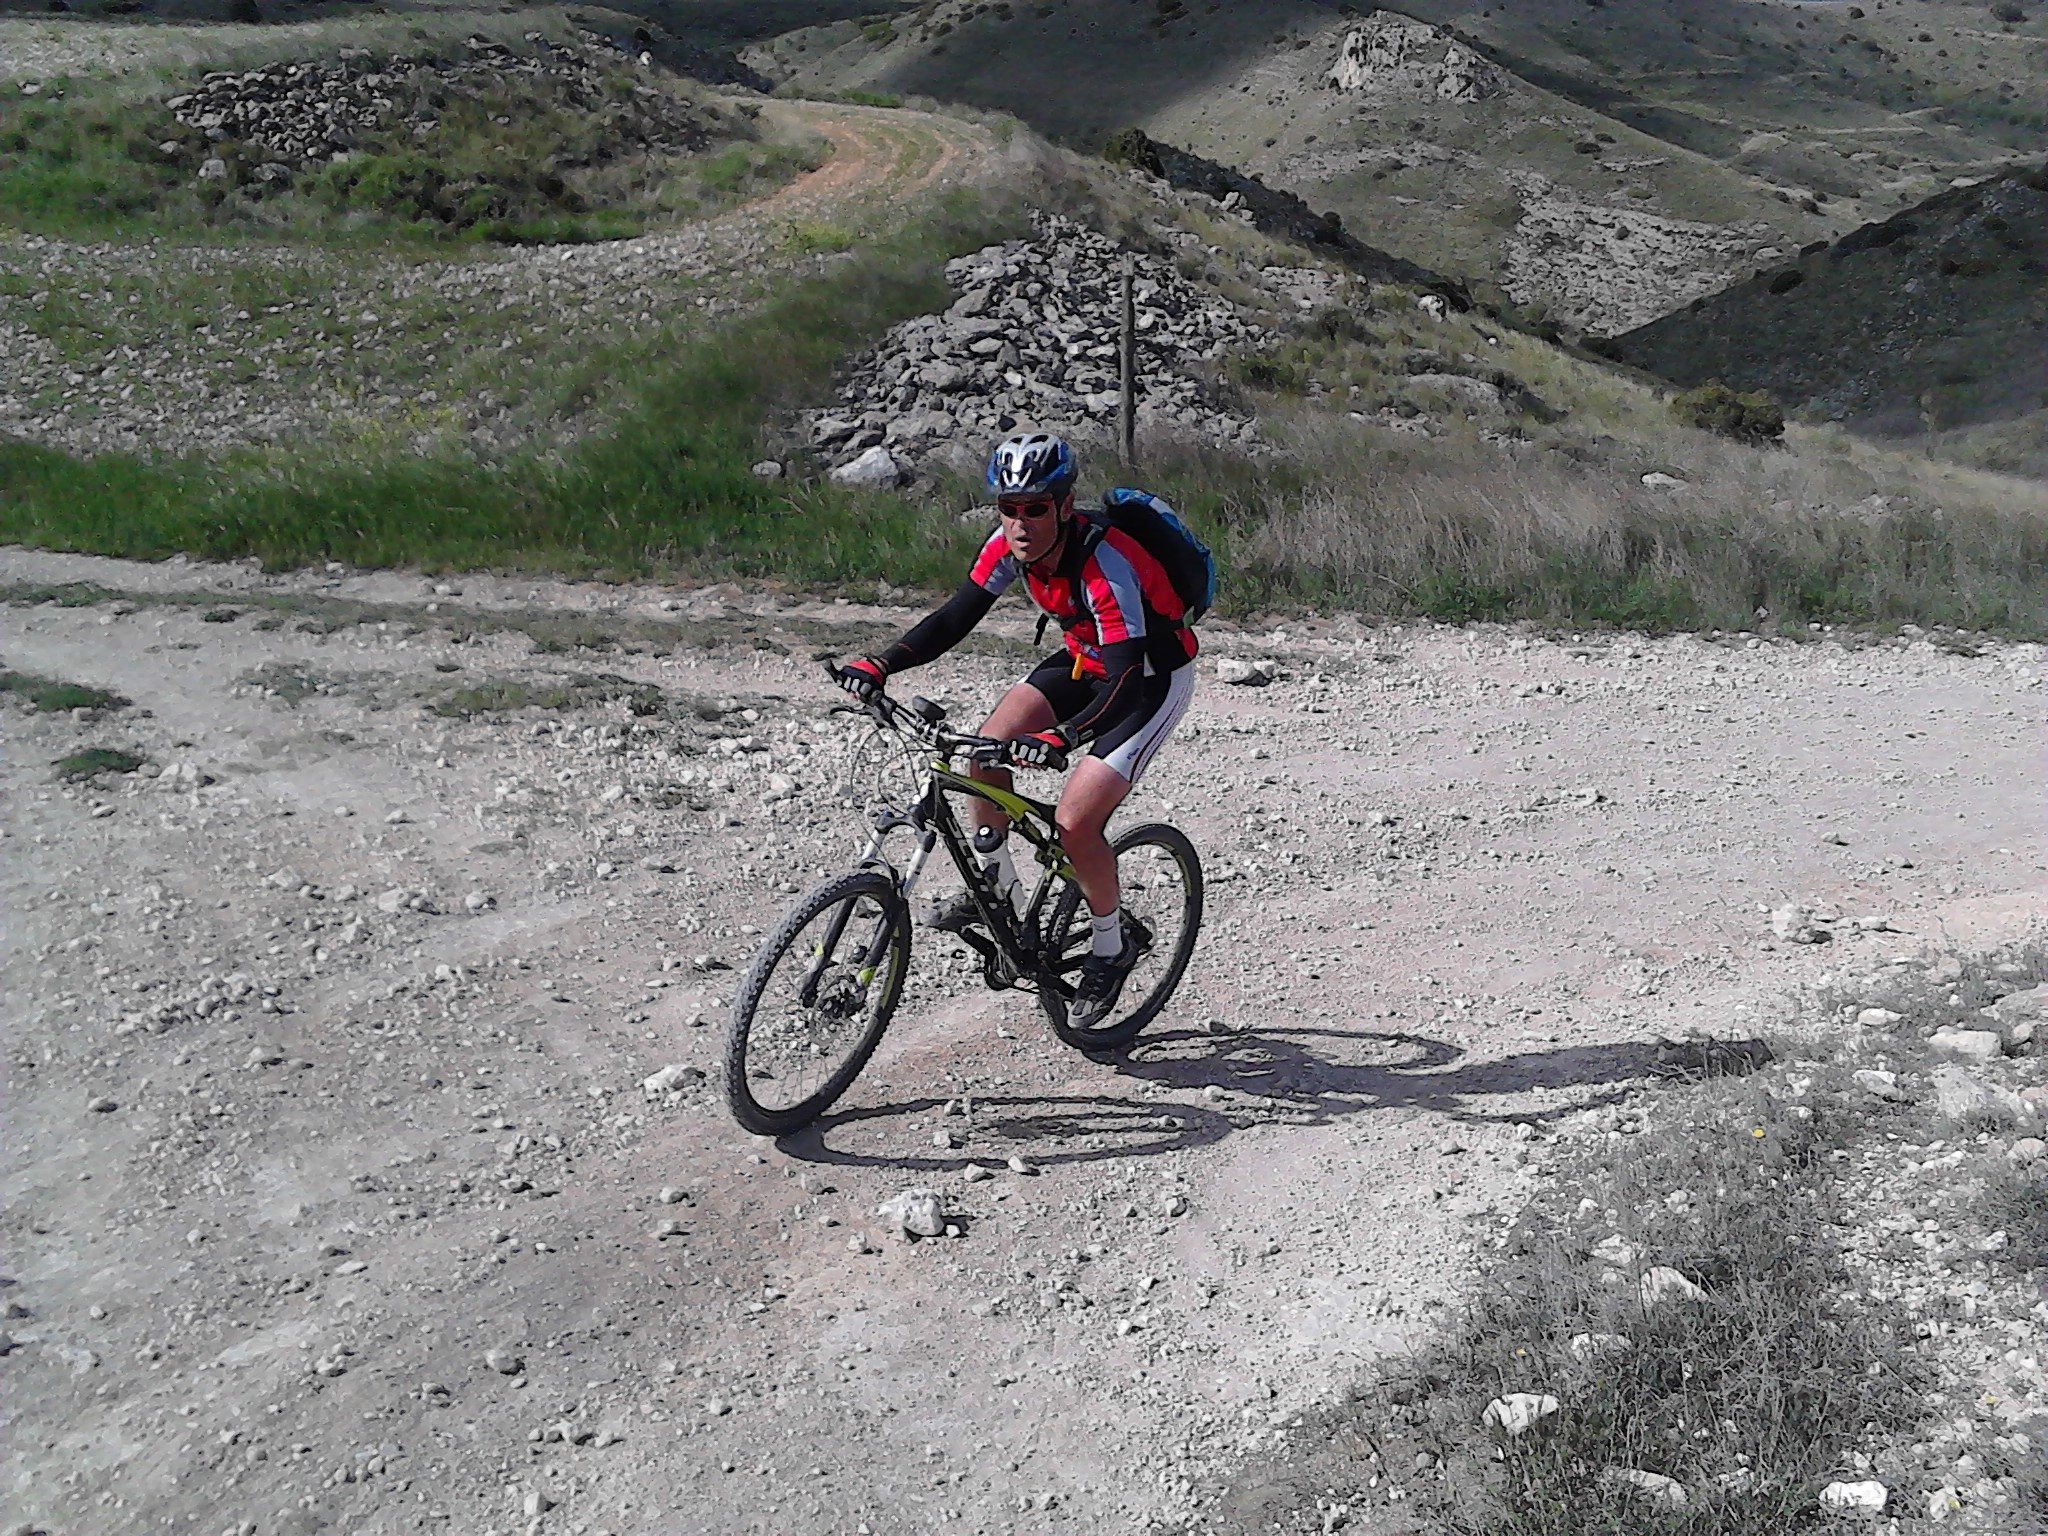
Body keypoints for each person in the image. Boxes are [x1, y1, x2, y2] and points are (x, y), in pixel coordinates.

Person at [838, 432, 1199, 1029]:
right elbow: (954, 618)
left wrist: (1065, 736)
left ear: (1065, 505)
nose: (1020, 522)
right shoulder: (1009, 546)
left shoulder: (1106, 563)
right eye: (1009, 508)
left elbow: (1126, 677)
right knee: (984, 750)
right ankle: (997, 887)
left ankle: (1111, 946)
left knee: (1076, 821)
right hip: (1084, 660)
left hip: (1148, 680)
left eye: (1035, 508)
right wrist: (883, 663)